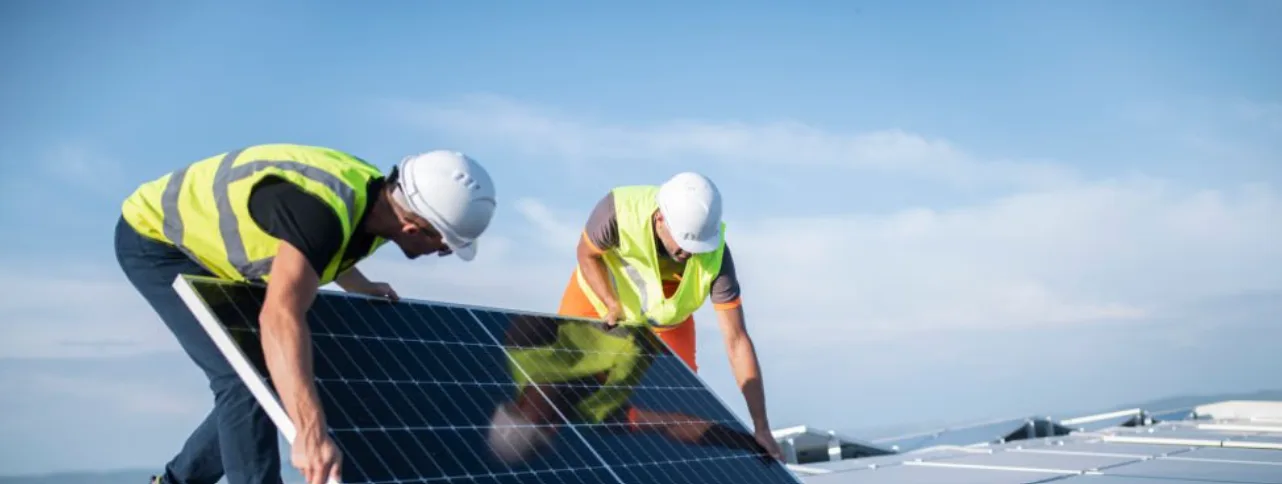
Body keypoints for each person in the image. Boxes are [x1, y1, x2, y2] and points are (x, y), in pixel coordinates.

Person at [115, 143, 498, 484]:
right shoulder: (322, 214)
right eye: (445, 245)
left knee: (283, 375)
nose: (442, 253)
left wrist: (357, 283)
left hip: (218, 254)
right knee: (246, 377)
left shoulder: (380, 203)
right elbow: (280, 314)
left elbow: (320, 242)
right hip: (159, 240)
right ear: (414, 228)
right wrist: (310, 434)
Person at [555, 171, 782, 460]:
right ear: (661, 219)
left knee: (680, 405)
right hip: (597, 304)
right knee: (570, 394)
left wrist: (761, 426)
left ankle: (647, 465)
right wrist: (612, 304)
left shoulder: (717, 257)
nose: (689, 253)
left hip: (667, 320)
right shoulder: (617, 210)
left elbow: (737, 341)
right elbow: (586, 254)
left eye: (697, 247)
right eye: (684, 243)